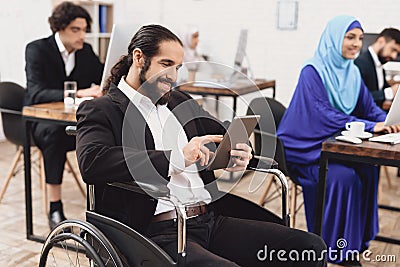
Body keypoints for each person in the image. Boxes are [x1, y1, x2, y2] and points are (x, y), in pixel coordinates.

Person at [76, 24, 326, 267]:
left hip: (209, 219)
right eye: (165, 65)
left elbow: (217, 134)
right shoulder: (102, 109)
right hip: (157, 230)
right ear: (139, 58)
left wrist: (234, 153)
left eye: (177, 68)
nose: (173, 77)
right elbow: (93, 161)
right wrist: (176, 157)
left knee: (308, 248)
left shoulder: (178, 101)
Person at [277, 15, 400, 266]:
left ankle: (356, 241)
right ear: (334, 38)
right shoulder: (312, 70)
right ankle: (333, 248)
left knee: (367, 169)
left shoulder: (351, 72)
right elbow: (322, 113)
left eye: (360, 39)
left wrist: (388, 122)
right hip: (302, 147)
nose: (356, 44)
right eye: (350, 37)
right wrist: (371, 125)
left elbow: (367, 107)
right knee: (343, 177)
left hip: (328, 144)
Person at [25, 1, 104, 230]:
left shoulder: (85, 52)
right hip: (40, 121)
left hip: (70, 121)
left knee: (101, 131)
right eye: (75, 30)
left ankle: (104, 204)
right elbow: (36, 92)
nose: (82, 36)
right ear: (59, 28)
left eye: (84, 30)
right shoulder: (36, 49)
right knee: (54, 136)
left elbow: (104, 77)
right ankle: (55, 207)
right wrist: (78, 92)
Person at [354, 28, 400, 108]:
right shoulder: (360, 63)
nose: (394, 56)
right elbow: (358, 98)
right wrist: (389, 92)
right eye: (393, 50)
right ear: (381, 41)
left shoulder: (379, 65)